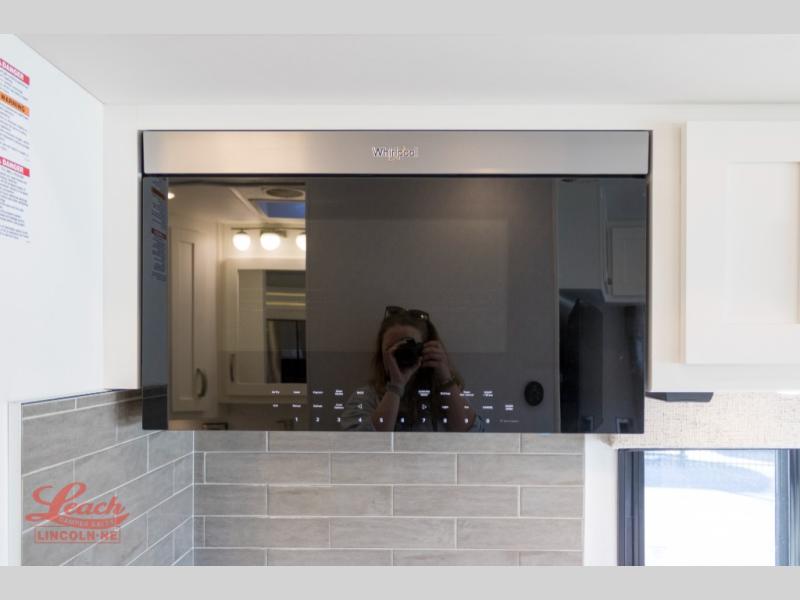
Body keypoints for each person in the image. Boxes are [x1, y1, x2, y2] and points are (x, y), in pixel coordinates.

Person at [341, 306, 484, 432]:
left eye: (409, 347)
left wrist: (445, 378)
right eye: (392, 349)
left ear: (426, 349)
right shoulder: (366, 397)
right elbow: (362, 445)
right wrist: (396, 387)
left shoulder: (446, 394)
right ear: (381, 354)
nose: (400, 355)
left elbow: (473, 435)